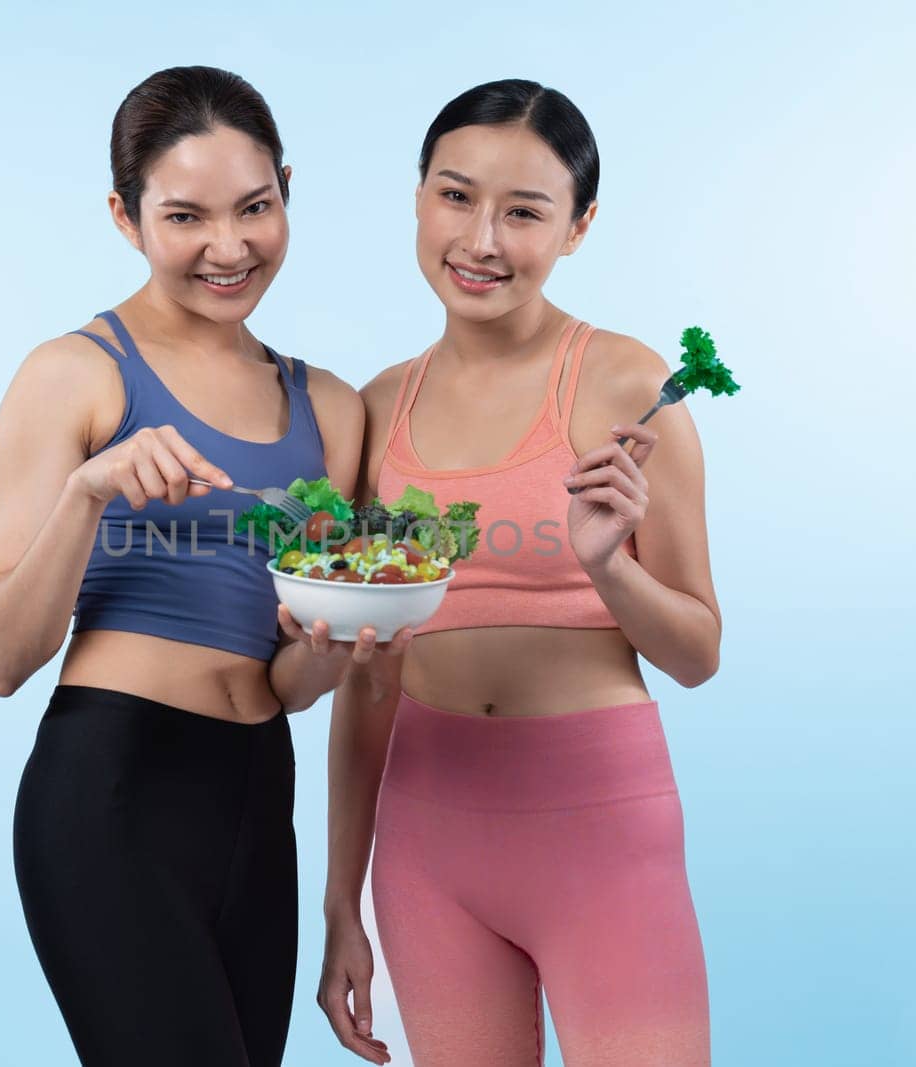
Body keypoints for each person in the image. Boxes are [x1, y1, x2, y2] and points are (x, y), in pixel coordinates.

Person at [0, 65, 388, 1067]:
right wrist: (88, 492)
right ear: (125, 216)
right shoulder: (74, 374)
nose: (228, 246)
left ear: (288, 188)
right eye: (185, 216)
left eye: (255, 207)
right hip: (114, 787)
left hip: (256, 793)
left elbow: (287, 684)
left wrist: (323, 658)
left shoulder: (330, 407)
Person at [318, 79, 722, 1067]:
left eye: (525, 211)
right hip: (426, 842)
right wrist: (341, 898)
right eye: (455, 196)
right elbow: (369, 677)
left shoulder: (626, 385)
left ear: (578, 227)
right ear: (418, 199)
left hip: (598, 828)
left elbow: (697, 650)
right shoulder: (375, 411)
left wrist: (607, 570)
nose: (481, 239)